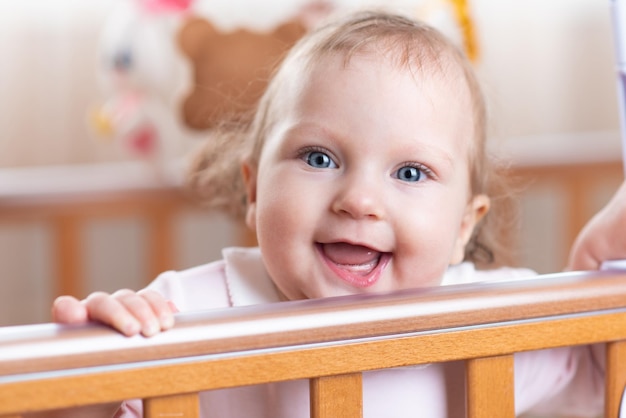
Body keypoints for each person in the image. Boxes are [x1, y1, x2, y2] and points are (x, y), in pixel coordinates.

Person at [51, 10, 606, 418]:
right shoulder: (180, 314)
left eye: (410, 173)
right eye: (319, 158)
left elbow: (601, 380)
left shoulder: (504, 320)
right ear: (254, 188)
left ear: (464, 225)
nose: (358, 200)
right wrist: (88, 379)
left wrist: (608, 255)